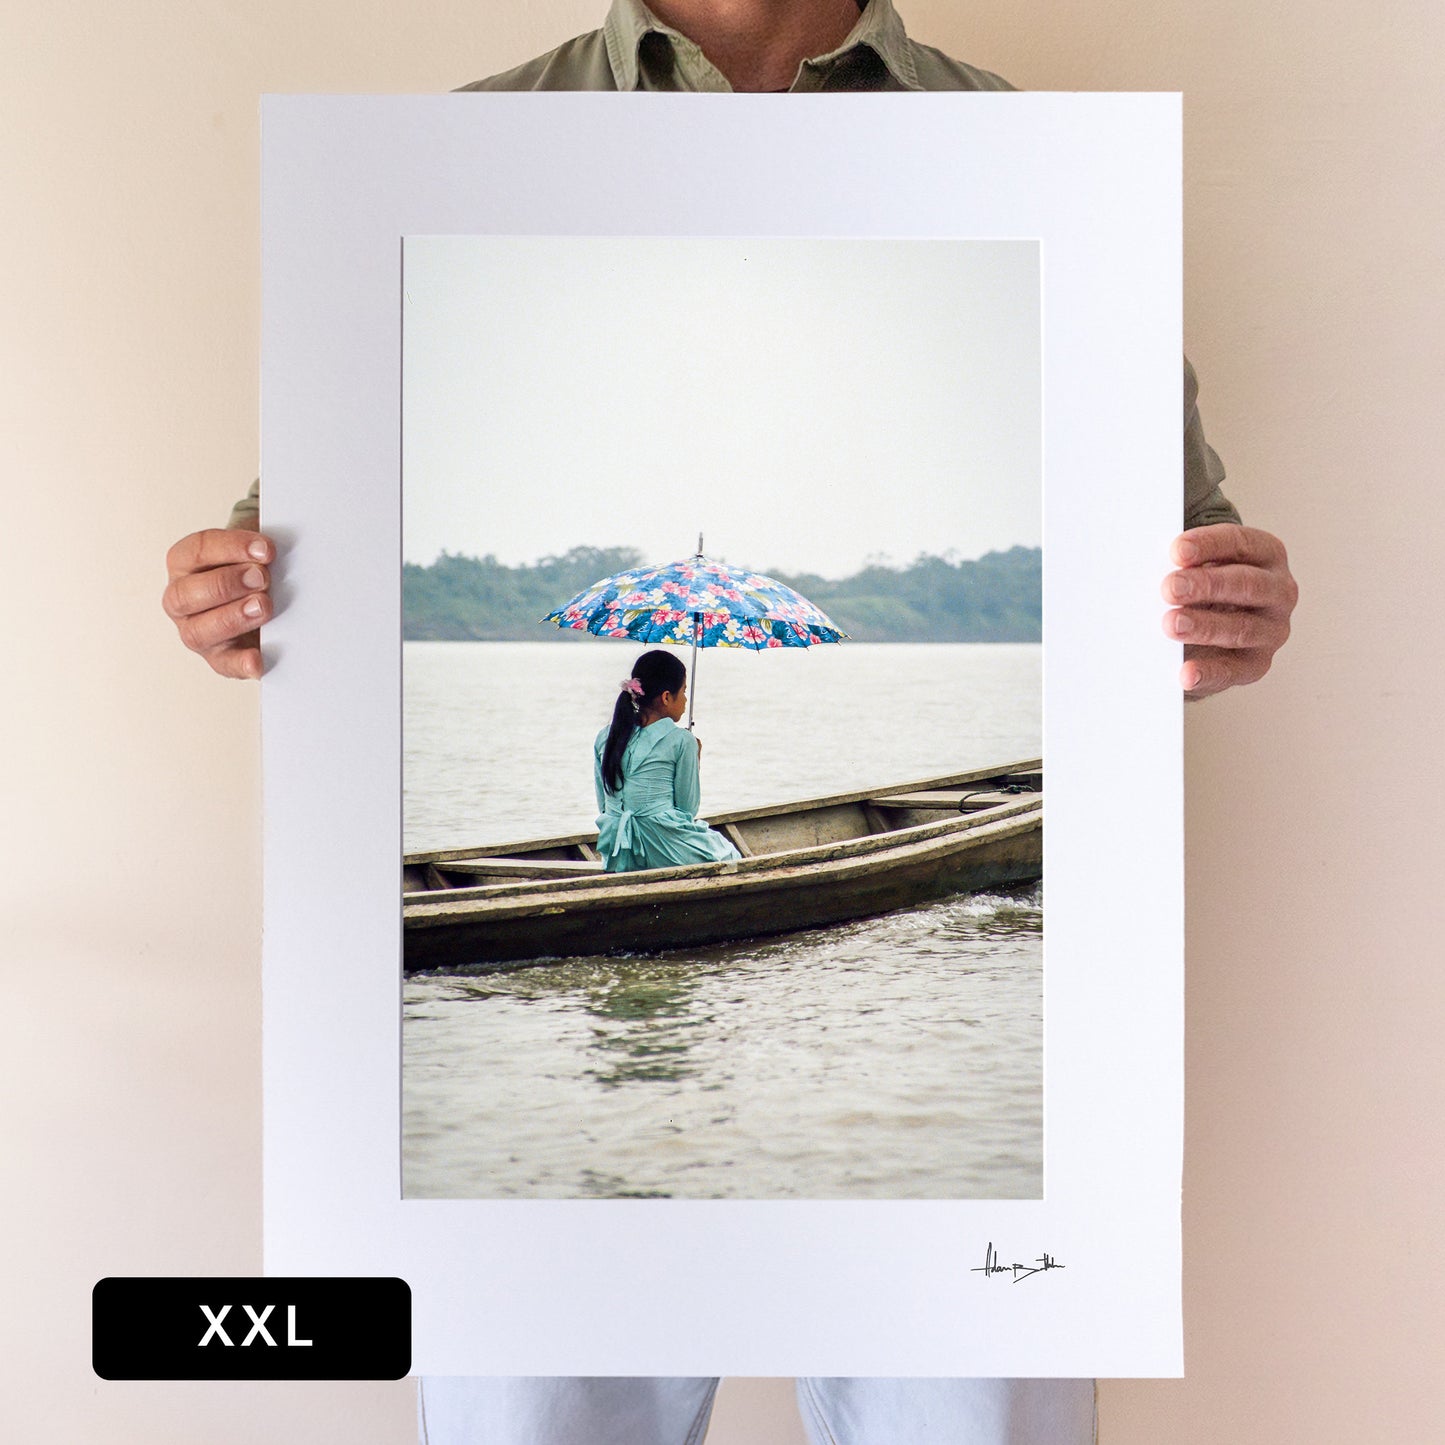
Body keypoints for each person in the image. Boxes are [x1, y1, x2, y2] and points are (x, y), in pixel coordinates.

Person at [158, 2, 1301, 1441]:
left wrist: (1222, 608)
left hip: (981, 1232)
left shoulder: (1028, 156)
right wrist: (241, 592)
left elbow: (1182, 553)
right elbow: (288, 546)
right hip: (543, 1205)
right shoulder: (459, 151)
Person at [595, 651, 742, 871]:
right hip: (664, 846)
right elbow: (687, 810)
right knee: (729, 854)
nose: (684, 700)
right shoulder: (682, 741)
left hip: (618, 852)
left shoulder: (606, 736)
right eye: (683, 692)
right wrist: (695, 760)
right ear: (666, 697)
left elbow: (604, 805)